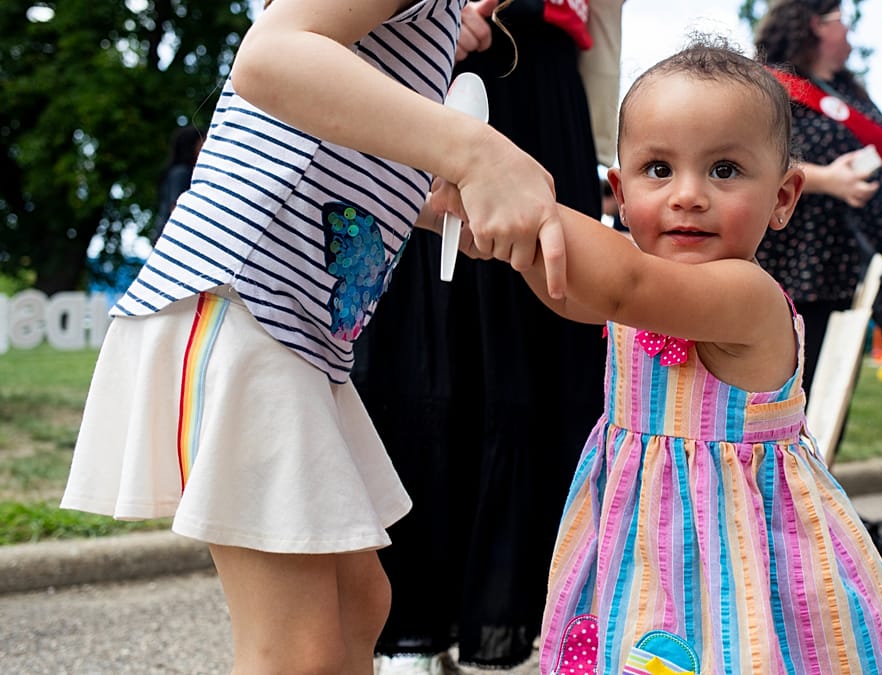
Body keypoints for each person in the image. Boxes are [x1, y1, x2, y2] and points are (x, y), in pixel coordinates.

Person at [58, 0, 570, 671]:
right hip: (242, 299)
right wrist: (476, 149)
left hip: (295, 328)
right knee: (298, 649)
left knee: (360, 603)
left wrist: (431, 201)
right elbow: (271, 58)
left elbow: (317, 142)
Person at [438, 37, 882, 673]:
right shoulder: (641, 288)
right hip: (643, 538)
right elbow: (569, 291)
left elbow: (625, 285)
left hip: (738, 560)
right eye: (658, 169)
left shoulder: (746, 294)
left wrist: (517, 195)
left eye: (725, 170)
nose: (688, 194)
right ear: (620, 192)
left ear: (784, 197)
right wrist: (462, 215)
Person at [354, 1, 610, 671]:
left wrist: (611, 141)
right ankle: (409, 623)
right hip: (430, 61)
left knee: (545, 349)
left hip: (553, 84)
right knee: (425, 351)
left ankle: (515, 606)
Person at [753, 0, 882, 394]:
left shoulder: (849, 91)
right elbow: (757, 163)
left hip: (854, 263)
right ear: (816, 25)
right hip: (801, 266)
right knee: (797, 380)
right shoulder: (769, 86)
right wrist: (829, 180)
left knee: (835, 383)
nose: (850, 30)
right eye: (842, 21)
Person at [150, 126, 203, 244]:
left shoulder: (175, 172)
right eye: (202, 143)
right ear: (191, 146)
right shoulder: (182, 173)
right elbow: (176, 207)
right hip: (170, 238)